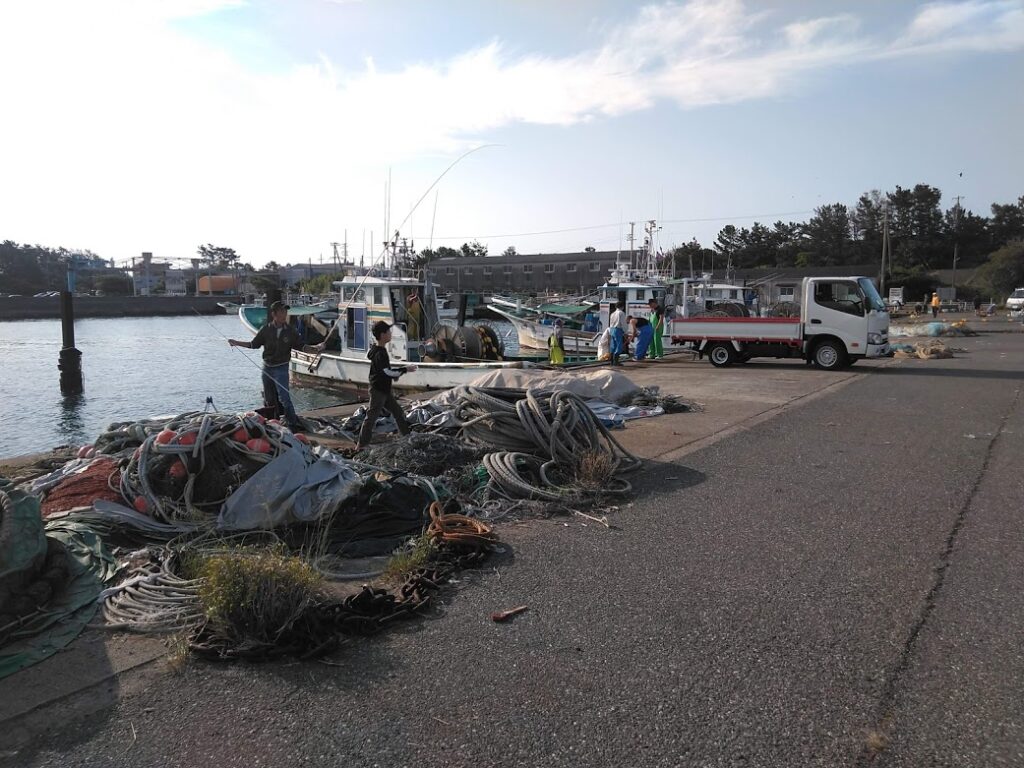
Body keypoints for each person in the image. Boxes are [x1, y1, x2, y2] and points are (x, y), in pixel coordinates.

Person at [228, 301, 306, 431]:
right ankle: (272, 423)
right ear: (274, 314)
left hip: (281, 368)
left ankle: (292, 424)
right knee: (269, 399)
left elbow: (301, 346)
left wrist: (316, 348)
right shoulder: (266, 329)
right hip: (267, 368)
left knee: (285, 398)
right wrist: (236, 343)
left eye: (285, 311)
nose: (284, 314)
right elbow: (254, 344)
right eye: (281, 311)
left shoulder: (291, 331)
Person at [356, 321, 417, 450]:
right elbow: (387, 372)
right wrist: (405, 369)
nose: (390, 334)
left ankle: (407, 439)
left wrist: (400, 371)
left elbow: (386, 371)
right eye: (388, 332)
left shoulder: (378, 350)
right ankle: (361, 445)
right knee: (371, 417)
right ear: (383, 335)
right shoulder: (380, 353)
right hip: (378, 390)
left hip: (384, 390)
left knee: (398, 412)